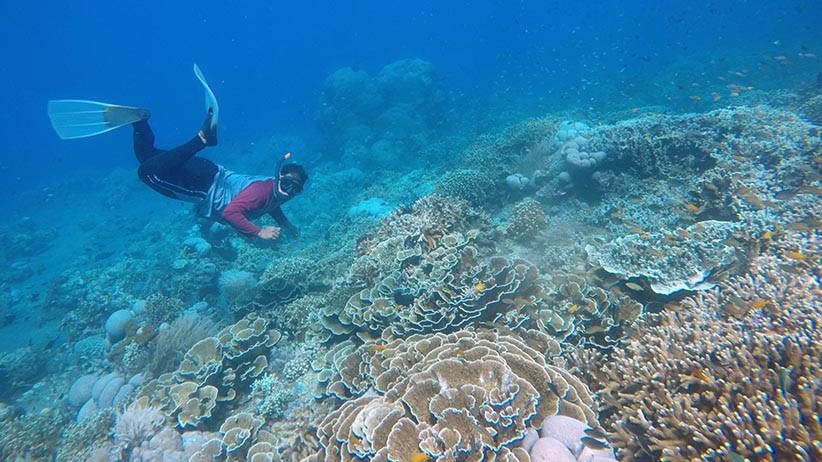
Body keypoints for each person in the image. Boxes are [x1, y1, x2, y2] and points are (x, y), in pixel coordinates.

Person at [129, 108, 307, 240]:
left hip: (208, 170)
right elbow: (230, 213)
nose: (289, 191)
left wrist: (285, 223)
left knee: (146, 156)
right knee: (145, 173)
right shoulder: (261, 192)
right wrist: (259, 232)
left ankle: (140, 121)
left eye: (296, 189)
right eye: (287, 184)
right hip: (201, 186)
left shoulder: (275, 191)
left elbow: (270, 204)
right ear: (278, 177)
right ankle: (200, 140)